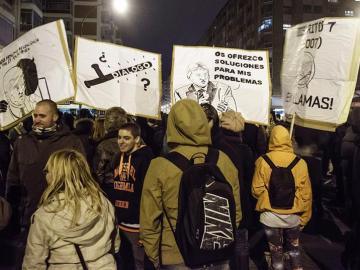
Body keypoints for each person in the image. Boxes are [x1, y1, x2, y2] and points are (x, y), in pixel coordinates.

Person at [140, 99, 241, 269]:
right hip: (218, 252)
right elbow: (235, 211)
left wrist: (154, 257)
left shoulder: (159, 165)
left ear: (172, 125)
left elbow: (150, 220)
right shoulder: (223, 160)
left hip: (176, 254)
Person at [6, 99, 85, 268]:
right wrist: (12, 214)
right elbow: (13, 179)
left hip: (62, 219)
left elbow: (81, 179)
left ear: (55, 117)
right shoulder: (23, 142)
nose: (37, 119)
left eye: (42, 115)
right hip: (28, 219)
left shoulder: (71, 142)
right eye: (35, 115)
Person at [22, 149, 120, 269]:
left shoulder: (44, 215)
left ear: (56, 175)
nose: (45, 174)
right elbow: (115, 246)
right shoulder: (103, 204)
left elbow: (34, 263)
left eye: (47, 171)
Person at [252, 125, 312, 270]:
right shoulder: (301, 163)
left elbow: (256, 190)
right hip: (293, 218)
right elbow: (306, 195)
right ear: (288, 140)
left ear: (271, 139)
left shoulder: (262, 161)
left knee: (276, 252)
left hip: (269, 218)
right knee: (294, 250)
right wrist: (303, 219)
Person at [109, 122, 154, 269]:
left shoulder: (146, 159)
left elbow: (149, 192)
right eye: (119, 137)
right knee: (124, 261)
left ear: (137, 139)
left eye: (127, 138)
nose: (121, 142)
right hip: (120, 221)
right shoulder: (117, 157)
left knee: (138, 263)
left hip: (137, 224)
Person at [93, 107, 127, 191]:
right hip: (134, 191)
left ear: (106, 123)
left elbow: (98, 173)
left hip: (110, 190)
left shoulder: (103, 145)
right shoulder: (138, 142)